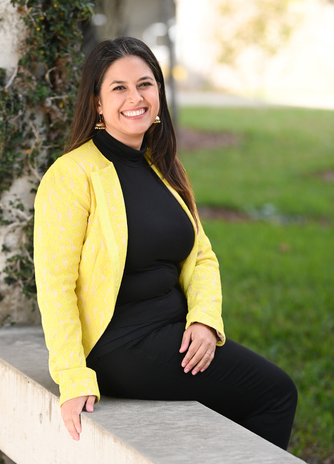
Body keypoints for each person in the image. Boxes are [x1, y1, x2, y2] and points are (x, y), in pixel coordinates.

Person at [33, 37, 297, 450]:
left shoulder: (162, 167)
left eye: (145, 84)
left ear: (159, 92)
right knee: (275, 394)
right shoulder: (72, 175)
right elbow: (54, 284)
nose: (135, 97)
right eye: (118, 88)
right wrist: (72, 376)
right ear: (97, 104)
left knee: (241, 405)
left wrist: (205, 320)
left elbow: (201, 256)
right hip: (120, 344)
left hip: (173, 332)